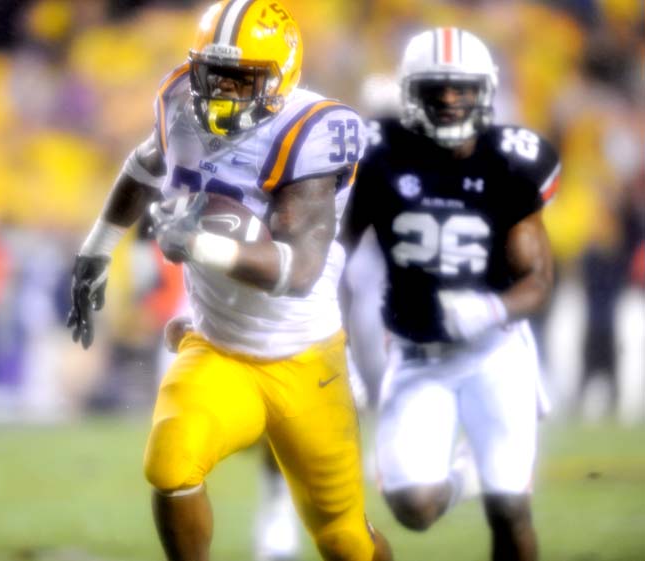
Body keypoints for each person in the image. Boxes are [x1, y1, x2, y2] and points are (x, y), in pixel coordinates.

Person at [65, 2, 391, 561]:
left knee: (344, 540)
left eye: (241, 79)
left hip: (305, 360)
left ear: (280, 77)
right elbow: (144, 167)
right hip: (218, 347)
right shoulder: (180, 105)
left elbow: (297, 271)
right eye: (213, 74)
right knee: (170, 463)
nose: (220, 92)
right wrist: (96, 247)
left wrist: (199, 245)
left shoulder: (310, 133)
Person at [340, 28, 560, 561]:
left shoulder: (510, 160)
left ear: (485, 91)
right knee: (414, 507)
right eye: (435, 88)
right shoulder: (378, 154)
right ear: (410, 92)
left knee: (510, 509)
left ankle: (489, 479)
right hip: (416, 353)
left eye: (461, 88)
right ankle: (464, 473)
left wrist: (490, 307)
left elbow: (538, 280)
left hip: (496, 352)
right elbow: (331, 256)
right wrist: (334, 344)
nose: (448, 99)